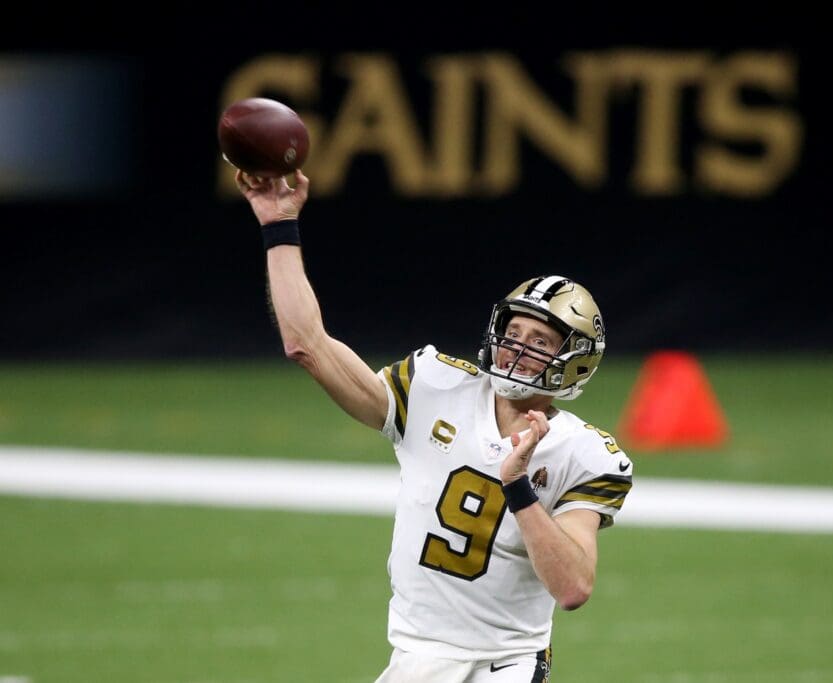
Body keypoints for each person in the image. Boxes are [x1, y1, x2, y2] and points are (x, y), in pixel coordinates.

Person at [235, 169, 633, 683]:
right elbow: (306, 343)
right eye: (513, 332)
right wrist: (279, 226)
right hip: (413, 659)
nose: (518, 348)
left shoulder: (584, 453)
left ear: (572, 362)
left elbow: (574, 587)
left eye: (539, 341)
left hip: (504, 665)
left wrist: (519, 488)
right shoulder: (434, 387)